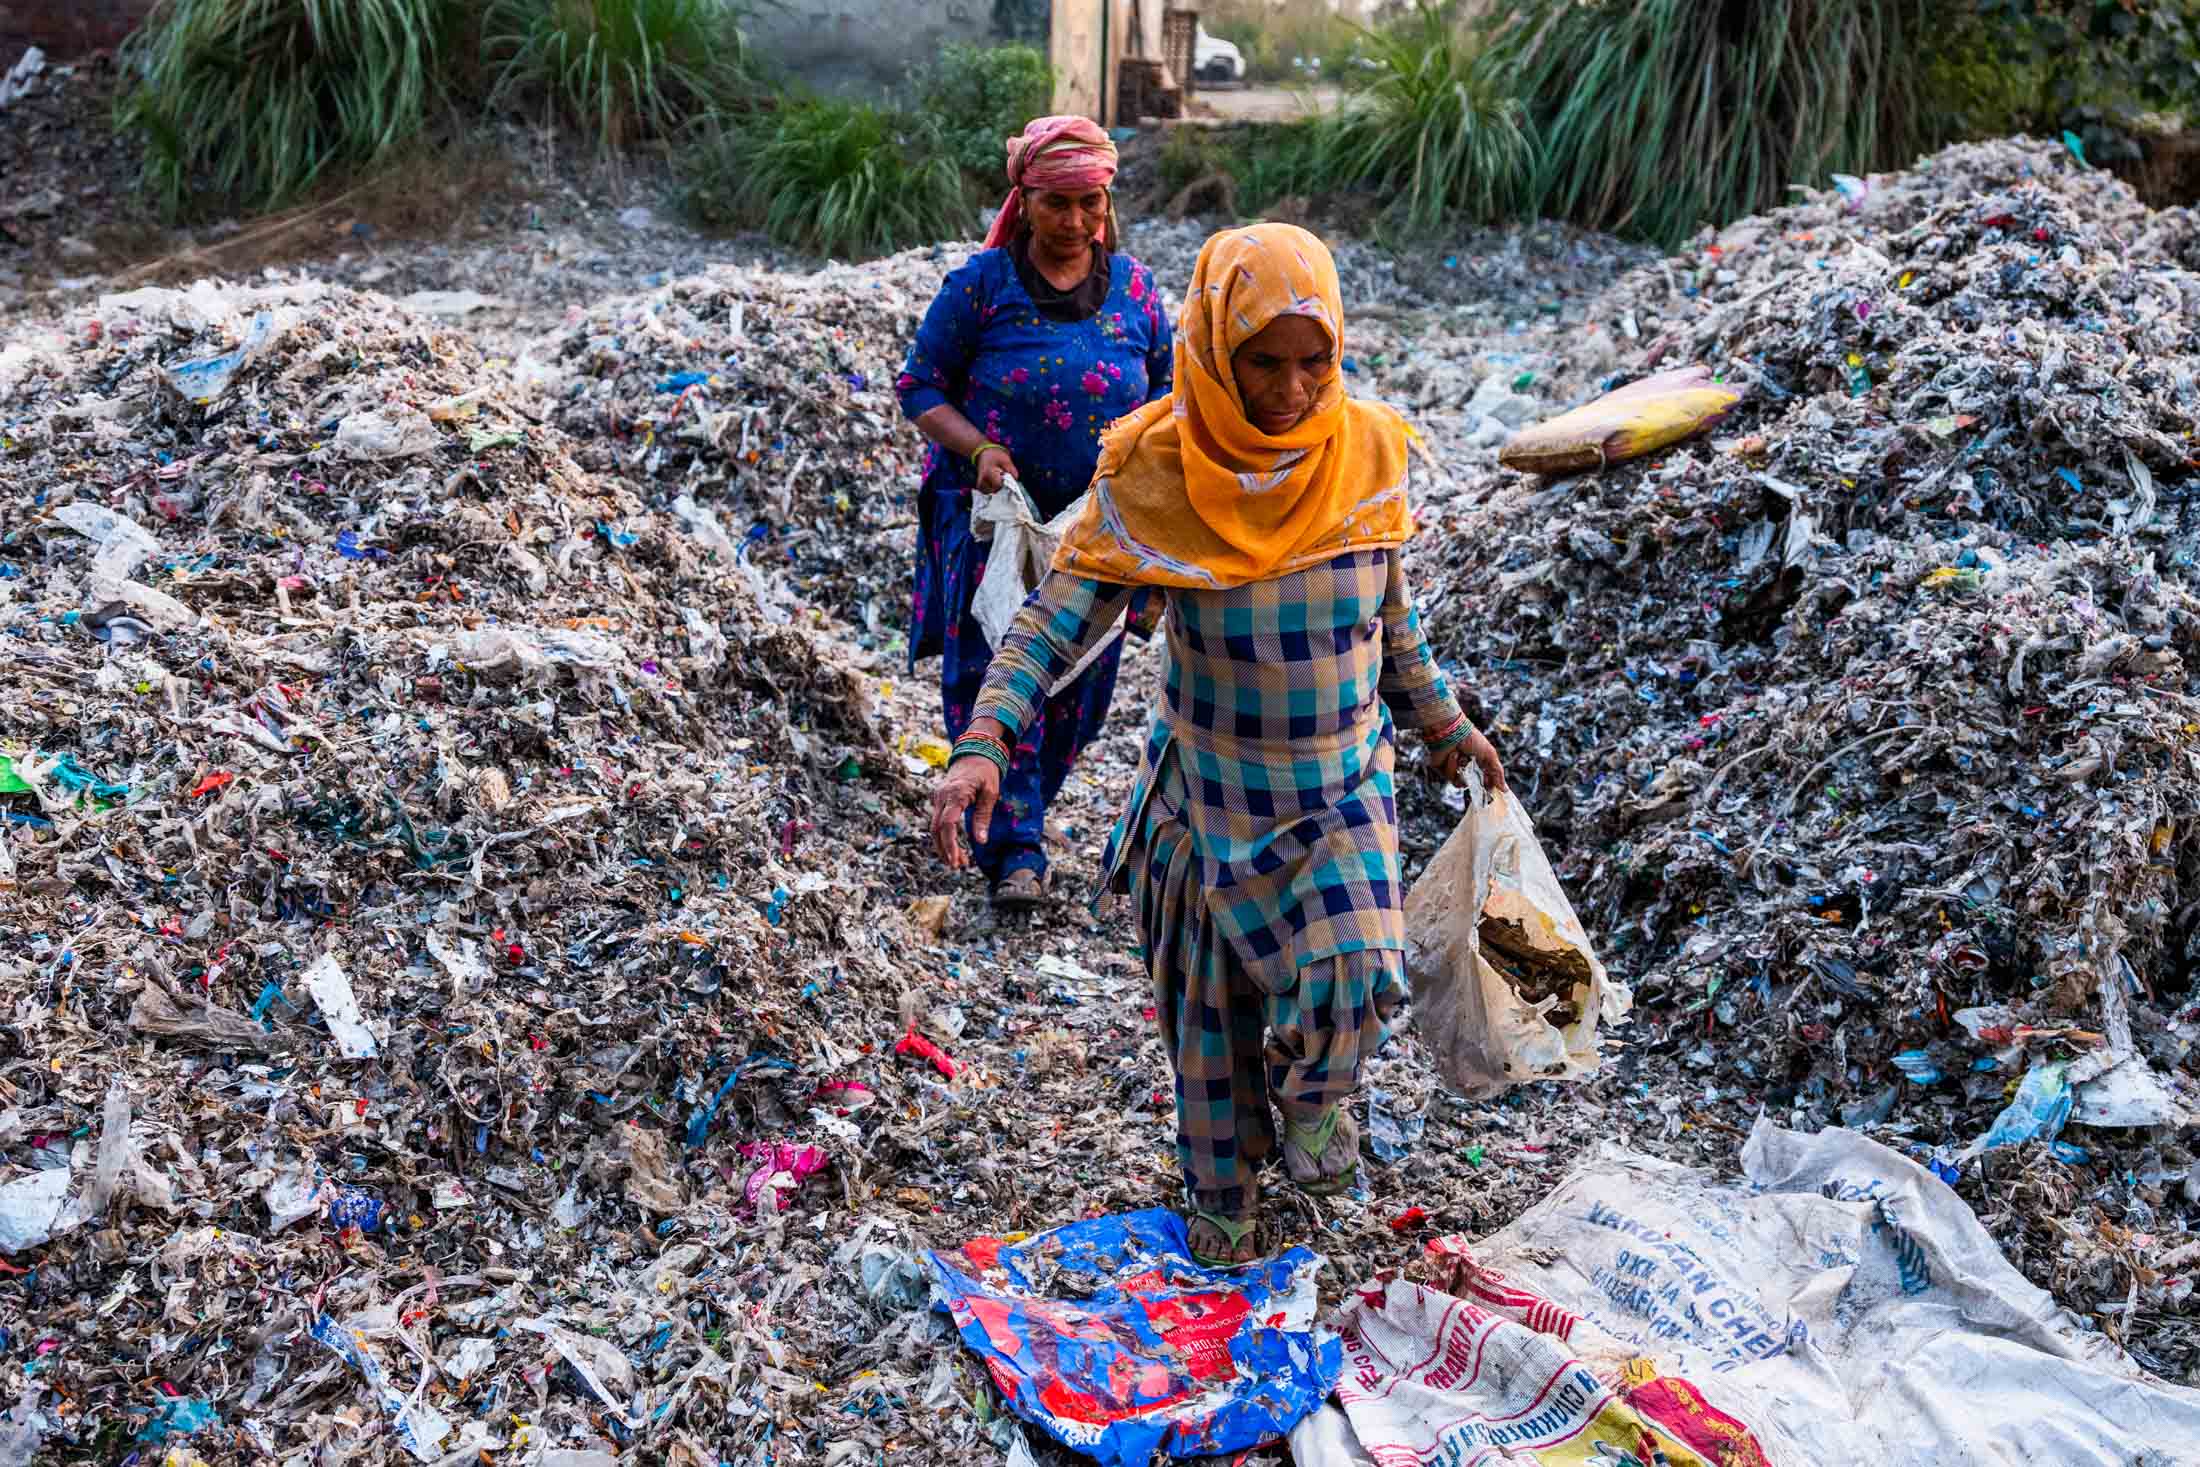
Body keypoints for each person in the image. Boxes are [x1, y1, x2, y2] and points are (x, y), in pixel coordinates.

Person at [926, 224, 1506, 1267]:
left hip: (1339, 793)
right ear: (1213, 350)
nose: (1292, 389)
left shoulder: (1366, 450)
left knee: (1355, 975)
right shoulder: (1159, 469)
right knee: (1211, 1032)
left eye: (1314, 360)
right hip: (1209, 803)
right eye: (1264, 362)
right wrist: (982, 740)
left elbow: (1389, 619)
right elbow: (1055, 619)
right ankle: (1224, 1196)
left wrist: (1441, 721)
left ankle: (1318, 1106)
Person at [896, 115, 1174, 911]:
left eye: (1092, 203)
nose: (1078, 222)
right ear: (1025, 199)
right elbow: (920, 386)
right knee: (994, 666)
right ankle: (1014, 849)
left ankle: (1025, 808)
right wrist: (978, 447)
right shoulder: (979, 288)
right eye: (1059, 205)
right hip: (991, 521)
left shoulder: (1137, 291)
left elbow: (1165, 395)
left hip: (1095, 526)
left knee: (1080, 688)